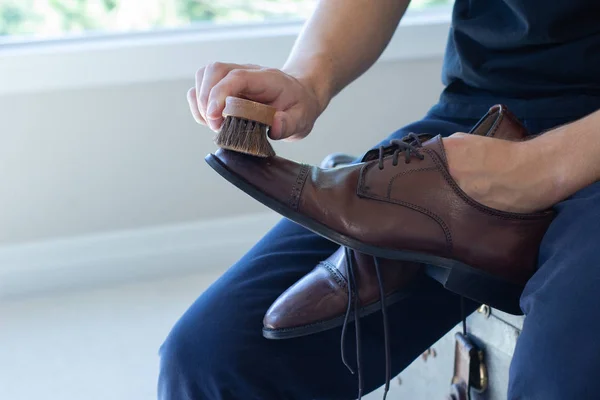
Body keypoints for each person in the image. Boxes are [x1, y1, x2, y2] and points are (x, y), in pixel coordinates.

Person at [158, 0, 600, 399]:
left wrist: (532, 169)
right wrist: (307, 78)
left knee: (566, 373)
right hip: (479, 119)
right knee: (214, 361)